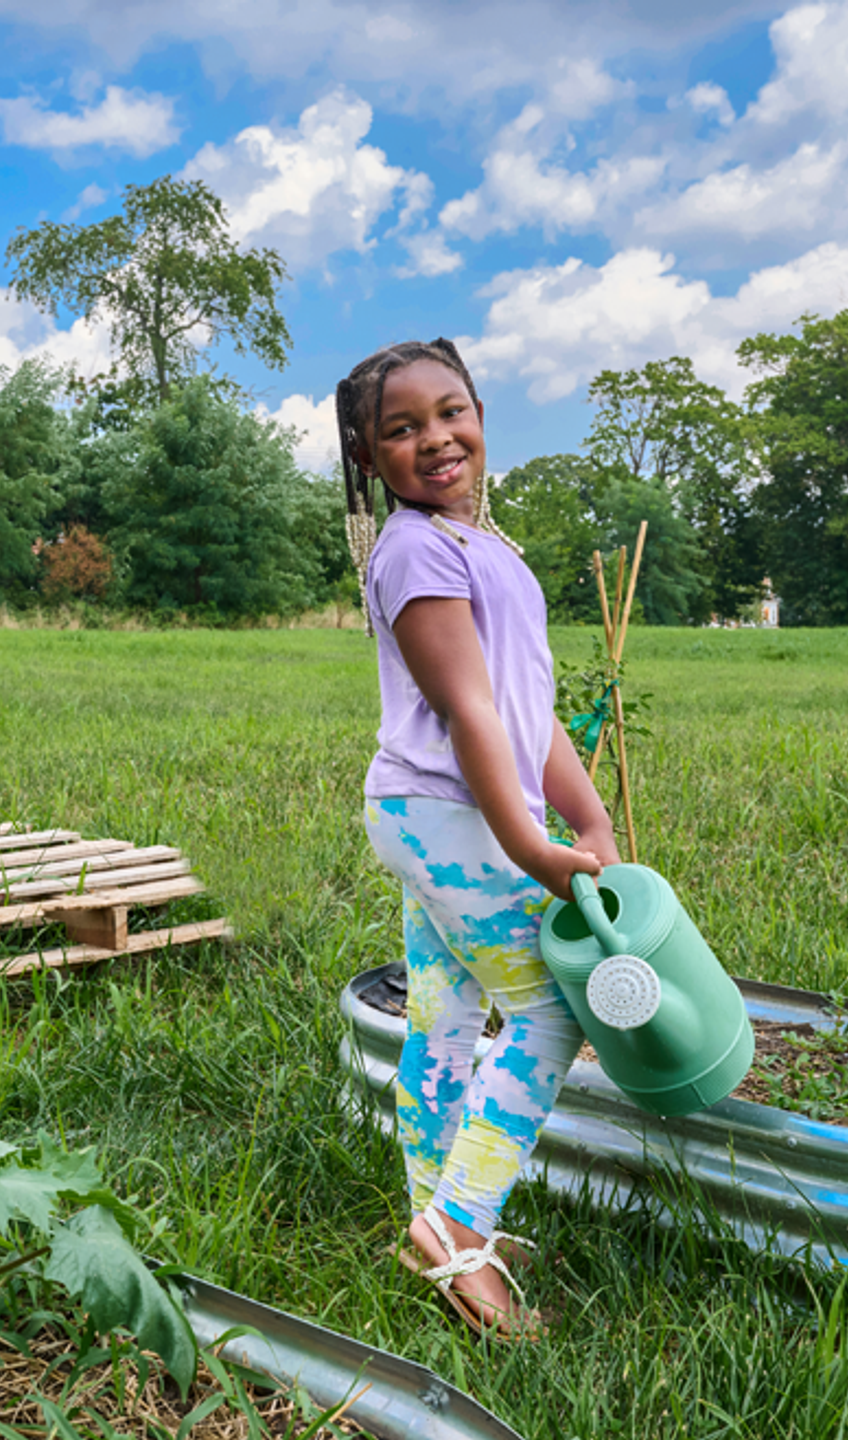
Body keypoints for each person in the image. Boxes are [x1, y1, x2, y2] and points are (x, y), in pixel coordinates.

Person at [336, 338, 621, 1339]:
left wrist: (582, 813)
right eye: (402, 429)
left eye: (450, 412)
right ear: (370, 457)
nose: (436, 439)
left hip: (439, 817)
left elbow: (525, 708)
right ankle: (459, 1222)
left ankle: (434, 1219)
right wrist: (534, 846)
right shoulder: (413, 548)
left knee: (446, 1019)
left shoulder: (482, 546)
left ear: (482, 413)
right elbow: (470, 715)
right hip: (451, 816)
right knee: (550, 1009)